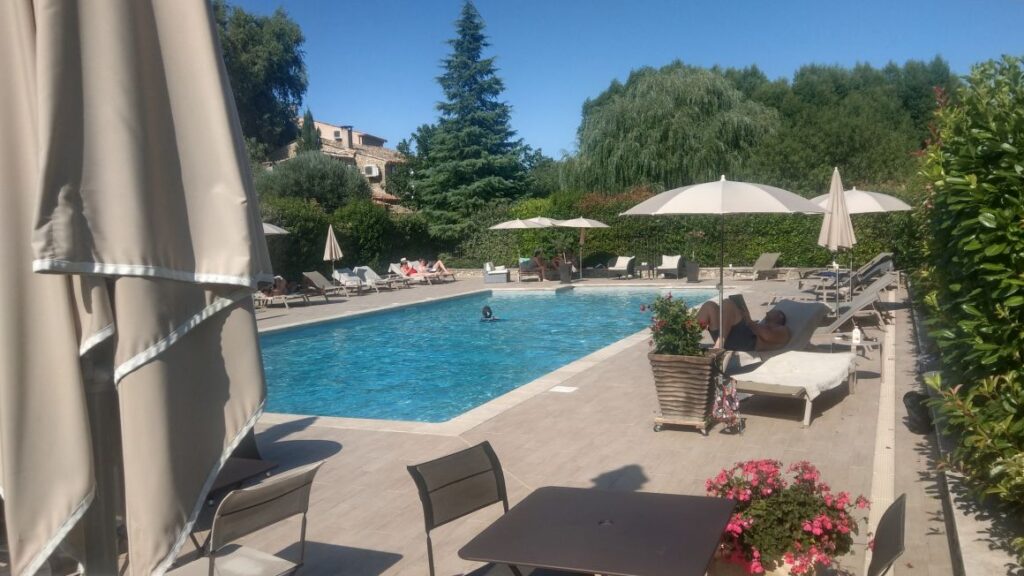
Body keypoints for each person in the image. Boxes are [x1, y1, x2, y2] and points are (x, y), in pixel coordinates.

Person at [696, 297, 790, 352]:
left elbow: (767, 336)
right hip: (729, 337)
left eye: (773, 311)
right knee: (709, 305)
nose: (767, 312)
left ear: (780, 316)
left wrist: (748, 321)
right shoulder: (761, 325)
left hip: (746, 343)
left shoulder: (783, 330)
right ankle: (691, 337)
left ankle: (718, 347)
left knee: (728, 303)